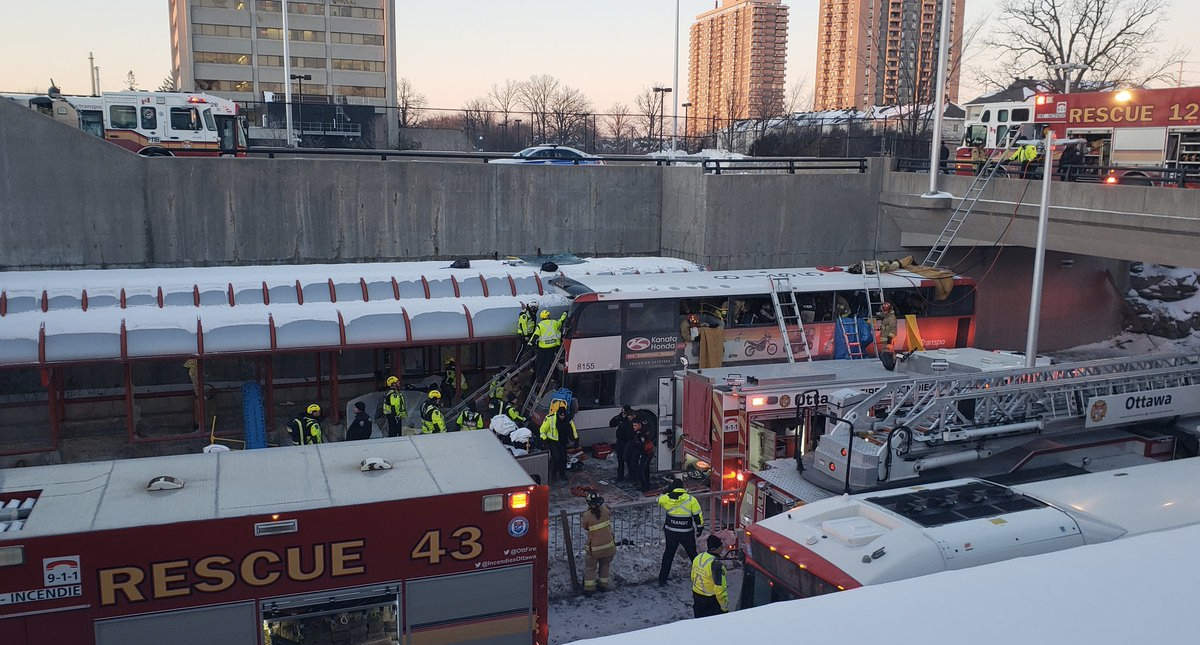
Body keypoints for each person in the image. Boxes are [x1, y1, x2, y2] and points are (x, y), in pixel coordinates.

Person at [657, 484, 703, 585]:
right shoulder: (691, 499)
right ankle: (702, 576)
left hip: (671, 532)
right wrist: (700, 528)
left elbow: (659, 499)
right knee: (693, 554)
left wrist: (665, 491)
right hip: (686, 532)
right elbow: (697, 515)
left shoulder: (666, 498)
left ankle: (662, 580)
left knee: (668, 555)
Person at [580, 492, 617, 595]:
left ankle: (589, 590)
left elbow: (585, 526)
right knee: (605, 566)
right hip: (609, 546)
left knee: (590, 568)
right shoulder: (605, 510)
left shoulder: (587, 515)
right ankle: (603, 586)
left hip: (595, 549)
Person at [690, 535, 728, 618]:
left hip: (697, 596)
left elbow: (693, 576)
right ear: (716, 548)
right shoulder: (716, 565)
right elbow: (720, 590)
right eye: (721, 546)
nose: (722, 548)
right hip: (710, 601)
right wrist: (724, 608)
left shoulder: (699, 557)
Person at [539, 407, 578, 483]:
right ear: (558, 414)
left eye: (563, 416)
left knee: (563, 459)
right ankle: (554, 474)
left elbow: (573, 430)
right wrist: (544, 440)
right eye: (560, 415)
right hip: (553, 441)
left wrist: (576, 439)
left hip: (562, 441)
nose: (562, 417)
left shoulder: (568, 419)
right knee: (556, 458)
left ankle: (562, 474)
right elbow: (542, 430)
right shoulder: (550, 418)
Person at [529, 309, 567, 386]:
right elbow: (561, 320)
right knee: (547, 363)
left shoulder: (540, 325)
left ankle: (539, 377)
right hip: (553, 346)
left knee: (540, 362)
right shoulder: (554, 323)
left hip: (543, 347)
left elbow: (535, 335)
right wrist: (564, 314)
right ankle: (542, 377)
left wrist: (530, 342)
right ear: (548, 316)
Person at [608, 405, 637, 481]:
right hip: (620, 441)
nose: (624, 414)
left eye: (625, 413)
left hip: (629, 441)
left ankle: (632, 476)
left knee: (628, 459)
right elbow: (612, 424)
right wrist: (618, 417)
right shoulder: (620, 418)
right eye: (623, 412)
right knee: (620, 460)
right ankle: (620, 476)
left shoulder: (632, 419)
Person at [631, 412, 657, 491]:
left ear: (640, 425)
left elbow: (644, 445)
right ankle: (643, 485)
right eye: (633, 425)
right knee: (642, 470)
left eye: (635, 425)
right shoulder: (639, 433)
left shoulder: (643, 434)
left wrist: (638, 448)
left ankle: (646, 486)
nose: (633, 427)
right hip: (643, 453)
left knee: (643, 470)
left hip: (646, 454)